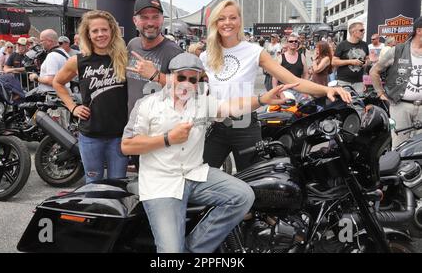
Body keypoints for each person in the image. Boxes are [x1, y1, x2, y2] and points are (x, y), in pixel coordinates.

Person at [122, 53, 301, 253]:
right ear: (170, 76)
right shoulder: (147, 104)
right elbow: (127, 145)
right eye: (181, 77)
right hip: (161, 183)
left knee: (243, 196)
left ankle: (194, 249)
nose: (186, 83)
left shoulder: (201, 103)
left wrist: (263, 98)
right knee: (171, 252)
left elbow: (232, 107)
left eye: (192, 79)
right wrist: (167, 139)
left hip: (195, 174)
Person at [200, 0, 351, 172]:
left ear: (240, 21)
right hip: (217, 125)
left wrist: (327, 89)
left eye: (232, 17)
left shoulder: (253, 51)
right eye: (221, 18)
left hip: (245, 126)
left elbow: (294, 80)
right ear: (215, 22)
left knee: (252, 185)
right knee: (199, 177)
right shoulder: (206, 55)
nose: (227, 23)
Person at [53, 10, 129, 183]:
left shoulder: (123, 58)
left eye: (104, 30)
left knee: (117, 185)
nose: (100, 34)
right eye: (95, 31)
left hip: (119, 136)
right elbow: (58, 83)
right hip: (91, 136)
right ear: (87, 34)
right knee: (93, 185)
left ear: (112, 31)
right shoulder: (78, 60)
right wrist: (73, 107)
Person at [126, 0, 183, 115]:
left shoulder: (174, 52)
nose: (150, 23)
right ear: (135, 21)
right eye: (144, 17)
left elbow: (186, 88)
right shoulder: (132, 45)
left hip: (160, 128)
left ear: (162, 19)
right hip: (132, 125)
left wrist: (156, 75)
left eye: (155, 17)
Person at [370, 16, 422, 148]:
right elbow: (374, 71)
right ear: (419, 31)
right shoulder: (398, 51)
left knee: (419, 148)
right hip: (400, 106)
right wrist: (380, 93)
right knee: (400, 146)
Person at [332, 22, 369, 95]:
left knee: (358, 105)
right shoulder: (342, 45)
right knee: (344, 104)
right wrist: (351, 62)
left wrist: (367, 62)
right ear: (353, 32)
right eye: (361, 30)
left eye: (363, 30)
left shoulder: (364, 44)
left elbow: (367, 58)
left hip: (359, 82)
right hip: (344, 81)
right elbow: (334, 62)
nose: (364, 32)